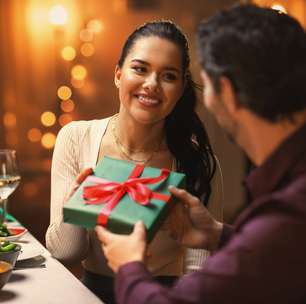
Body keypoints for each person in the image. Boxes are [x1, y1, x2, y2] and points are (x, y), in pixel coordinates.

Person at [96, 4, 306, 304]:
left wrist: (129, 266)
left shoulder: (286, 212)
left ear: (226, 91)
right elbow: (278, 254)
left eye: (204, 84)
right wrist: (217, 233)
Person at [45, 21, 223, 303]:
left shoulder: (198, 162)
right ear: (118, 74)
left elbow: (198, 276)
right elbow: (65, 253)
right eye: (140, 69)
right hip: (89, 296)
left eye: (168, 76)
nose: (151, 84)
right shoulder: (75, 138)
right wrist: (74, 207)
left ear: (180, 88)